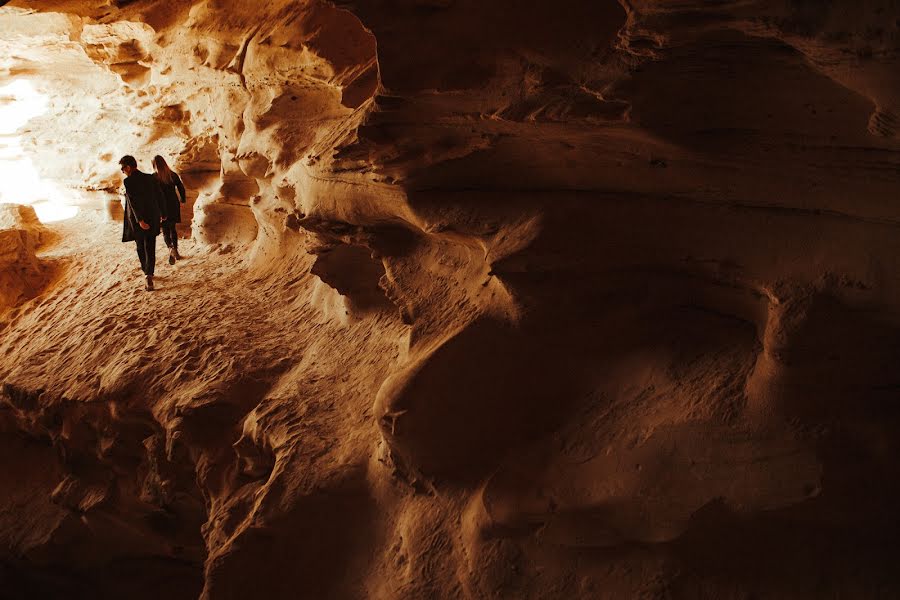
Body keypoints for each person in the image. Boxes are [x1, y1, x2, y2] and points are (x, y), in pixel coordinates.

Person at [119, 155, 164, 291]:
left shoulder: (128, 182)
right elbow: (159, 195)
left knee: (140, 246)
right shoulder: (150, 177)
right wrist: (163, 213)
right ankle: (149, 272)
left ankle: (147, 273)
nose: (122, 171)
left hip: (138, 220)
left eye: (123, 168)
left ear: (128, 167)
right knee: (150, 245)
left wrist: (140, 220)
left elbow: (133, 203)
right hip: (153, 216)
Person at [152, 155, 187, 265]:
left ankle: (170, 248)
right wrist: (183, 199)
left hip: (162, 206)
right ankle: (176, 250)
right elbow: (181, 187)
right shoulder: (172, 174)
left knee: (165, 230)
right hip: (173, 204)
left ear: (154, 165)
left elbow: (151, 194)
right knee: (173, 228)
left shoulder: (154, 177)